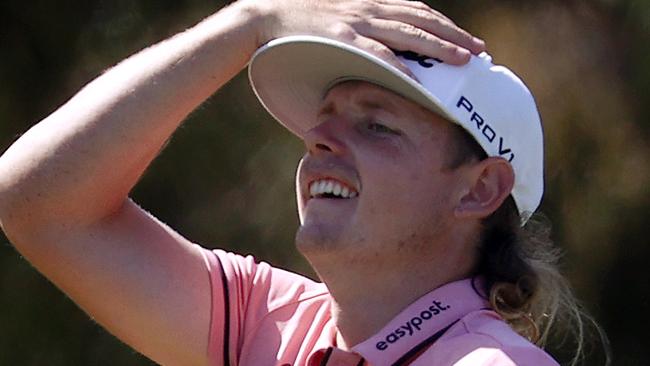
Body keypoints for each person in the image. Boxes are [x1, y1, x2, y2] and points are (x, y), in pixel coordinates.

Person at [0, 0, 595, 365]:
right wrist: (246, 21)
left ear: (478, 190)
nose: (320, 141)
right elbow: (37, 202)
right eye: (322, 122)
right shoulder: (277, 322)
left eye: (375, 125)